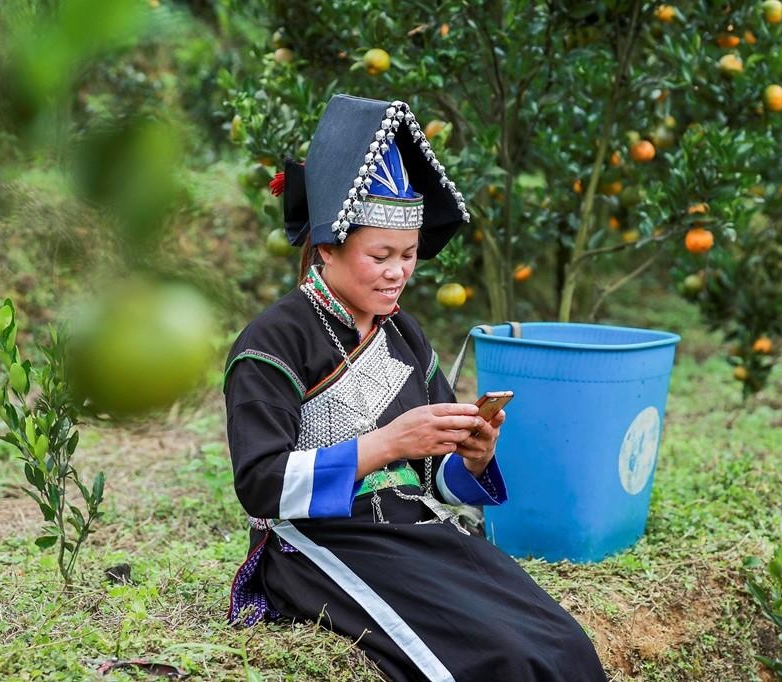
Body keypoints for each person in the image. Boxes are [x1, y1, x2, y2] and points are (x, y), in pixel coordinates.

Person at [223, 94, 607, 682]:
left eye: (407, 255)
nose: (398, 271)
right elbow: (260, 485)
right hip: (323, 543)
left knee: (563, 644)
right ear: (326, 248)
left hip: (413, 530)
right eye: (380, 255)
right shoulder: (272, 342)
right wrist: (386, 444)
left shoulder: (405, 334)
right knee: (495, 659)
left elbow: (437, 482)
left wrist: (473, 460)